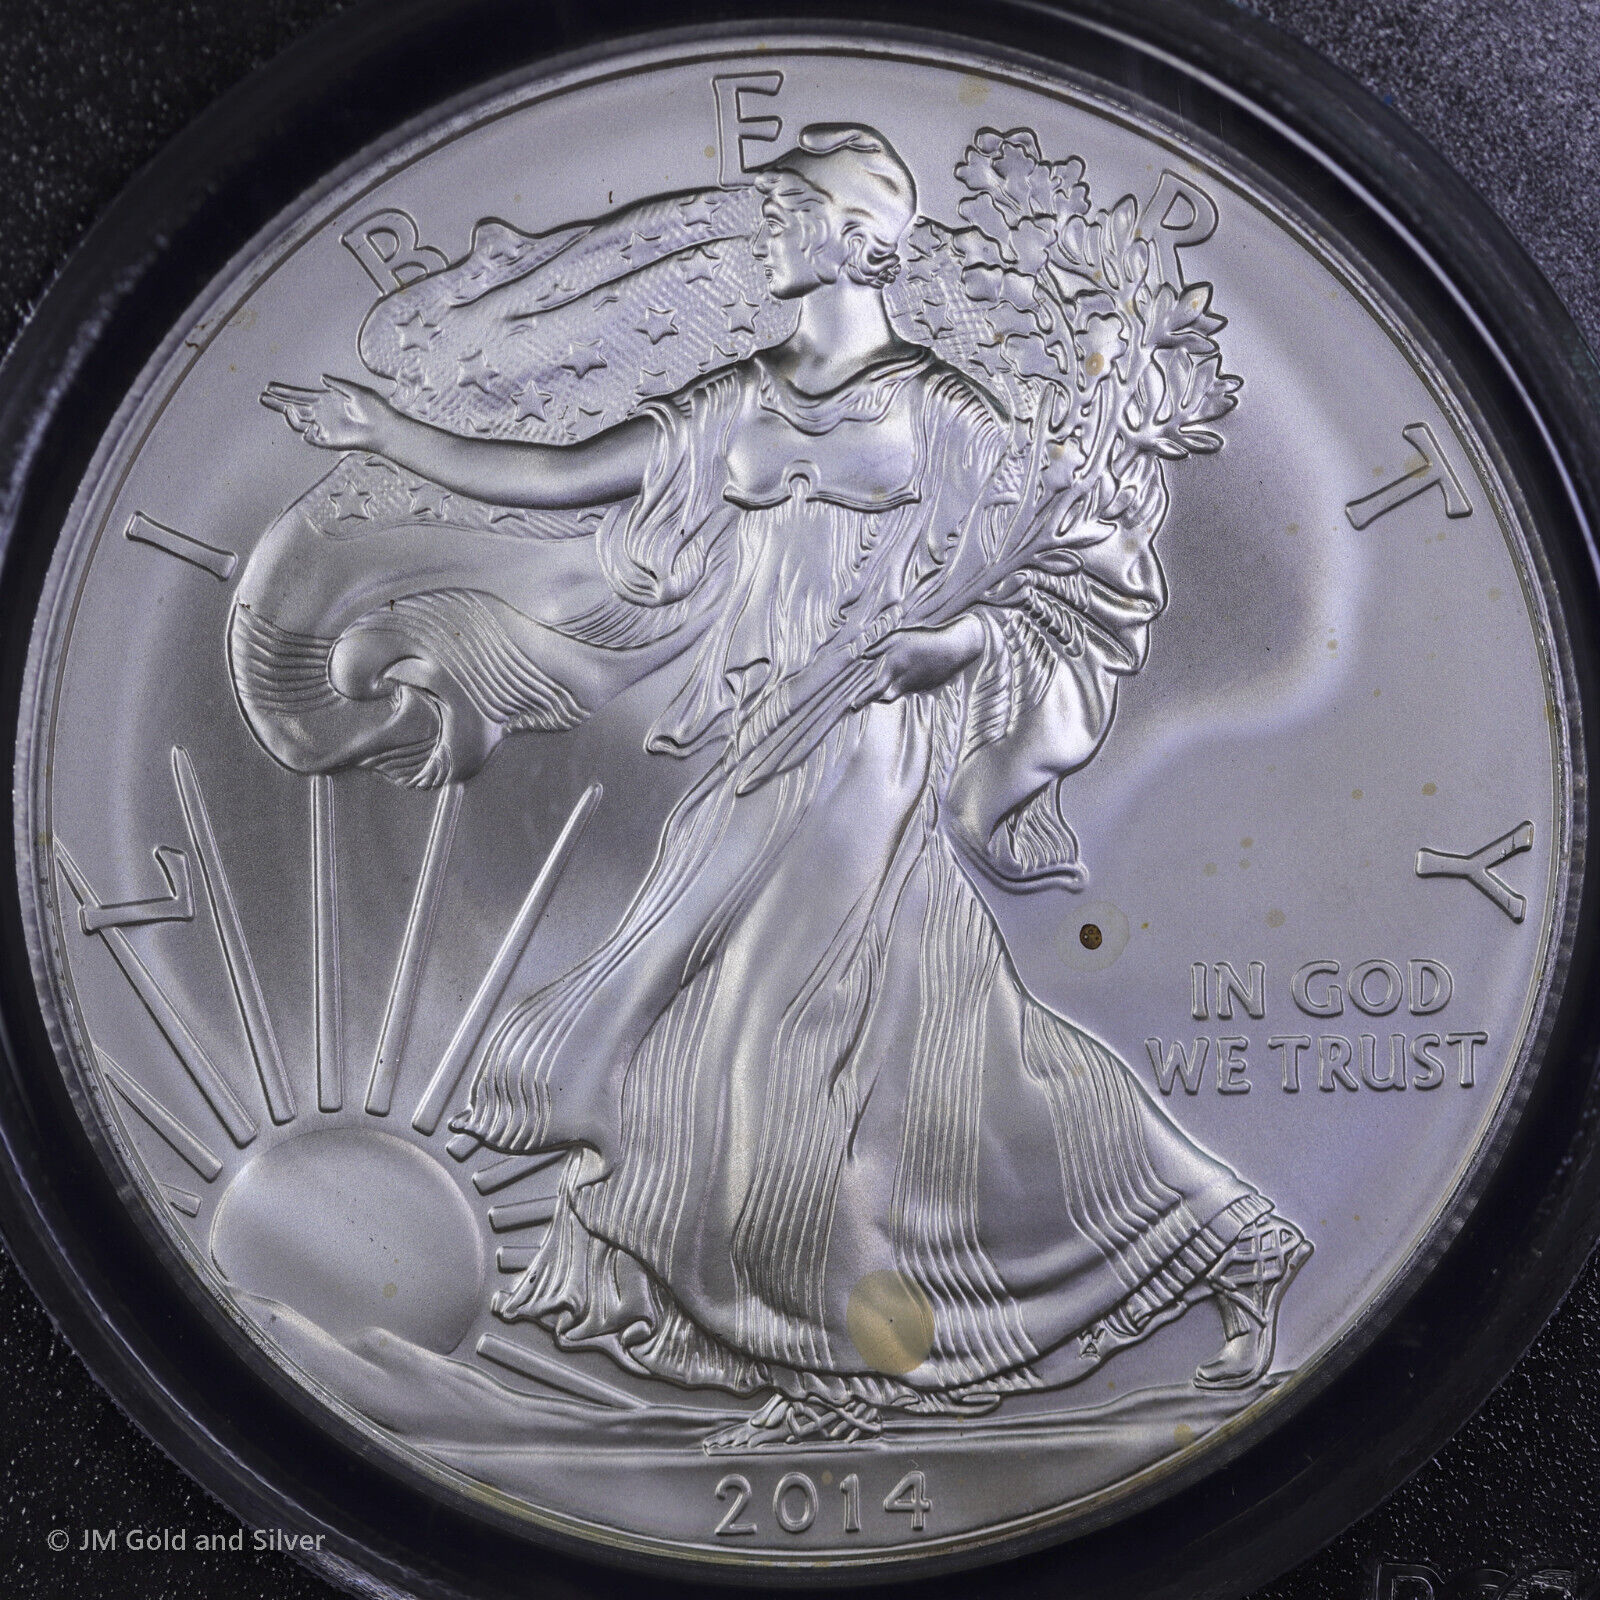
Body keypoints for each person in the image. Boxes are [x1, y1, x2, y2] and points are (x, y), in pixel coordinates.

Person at [263, 124, 1309, 1447]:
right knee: (931, 1050)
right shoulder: (734, 403)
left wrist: (951, 644)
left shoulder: (948, 417)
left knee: (771, 1039)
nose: (762, 235)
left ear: (861, 242)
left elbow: (1069, 575)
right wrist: (392, 434)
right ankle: (1224, 1238)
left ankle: (837, 1372)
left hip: (870, 751)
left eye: (786, 215)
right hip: (756, 750)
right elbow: (562, 477)